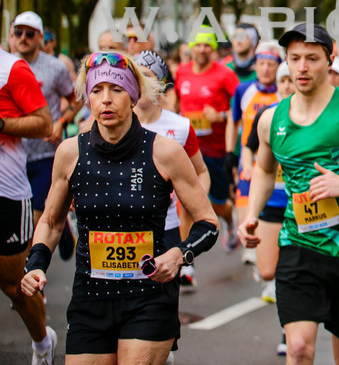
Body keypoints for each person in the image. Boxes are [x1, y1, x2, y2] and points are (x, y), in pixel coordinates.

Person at [21, 51, 219, 364]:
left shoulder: (164, 151)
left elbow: (208, 223)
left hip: (149, 296)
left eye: (116, 89)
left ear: (134, 95)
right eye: (96, 90)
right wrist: (35, 262)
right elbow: (52, 221)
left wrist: (179, 254)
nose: (106, 100)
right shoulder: (70, 152)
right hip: (91, 296)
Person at [238, 23, 339, 365]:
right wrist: (252, 215)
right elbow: (265, 169)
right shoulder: (271, 119)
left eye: (312, 58)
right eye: (295, 58)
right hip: (297, 246)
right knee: (298, 348)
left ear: (329, 61)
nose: (302, 67)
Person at [133, 50, 211, 290]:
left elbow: (201, 173)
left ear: (162, 84)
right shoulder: (112, 123)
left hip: (166, 227)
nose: (141, 84)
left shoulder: (180, 126)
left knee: (163, 302)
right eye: (135, 76)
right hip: (125, 230)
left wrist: (193, 202)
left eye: (148, 76)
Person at [0, 47, 57, 364]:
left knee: (13, 286)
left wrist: (2, 124)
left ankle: (42, 342)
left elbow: (43, 123)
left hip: (5, 193)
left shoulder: (11, 69)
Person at [11, 11, 81, 259]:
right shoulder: (5, 66)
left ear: (40, 37)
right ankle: (60, 227)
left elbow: (77, 98)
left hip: (46, 155)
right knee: (30, 214)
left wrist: (61, 121)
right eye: (18, 32)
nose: (23, 38)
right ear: (11, 35)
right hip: (13, 156)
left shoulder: (55, 68)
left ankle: (31, 282)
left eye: (29, 33)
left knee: (36, 217)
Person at [242, 61, 297, 354]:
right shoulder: (268, 116)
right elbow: (250, 145)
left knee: (290, 269)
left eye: (291, 79)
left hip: (301, 207)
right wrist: (246, 165)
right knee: (267, 272)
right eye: (283, 80)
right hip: (273, 203)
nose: (287, 85)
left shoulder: (309, 117)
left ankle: (289, 333)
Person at [175, 27, 240, 252]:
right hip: (186, 149)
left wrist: (221, 115)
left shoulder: (224, 74)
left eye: (207, 45)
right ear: (191, 47)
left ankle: (230, 222)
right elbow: (174, 105)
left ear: (213, 48)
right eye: (198, 45)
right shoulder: (181, 72)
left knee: (219, 205)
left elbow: (241, 106)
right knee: (185, 204)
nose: (202, 50)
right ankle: (186, 262)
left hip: (215, 150)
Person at [228, 42, 283, 266]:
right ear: (255, 66)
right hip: (248, 163)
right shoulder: (244, 90)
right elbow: (233, 123)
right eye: (261, 64)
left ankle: (267, 269)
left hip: (275, 170)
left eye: (271, 64)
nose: (266, 69)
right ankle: (253, 253)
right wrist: (230, 154)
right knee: (246, 216)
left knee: (271, 223)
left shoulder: (285, 91)